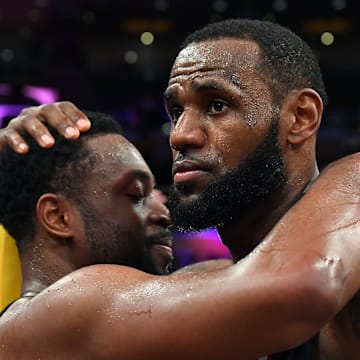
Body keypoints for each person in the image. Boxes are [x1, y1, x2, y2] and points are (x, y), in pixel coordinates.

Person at [1, 18, 360, 359]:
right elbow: (296, 284)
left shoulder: (215, 286)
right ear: (56, 216)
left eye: (217, 106)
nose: (179, 135)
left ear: (300, 117)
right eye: (175, 111)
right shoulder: (71, 311)